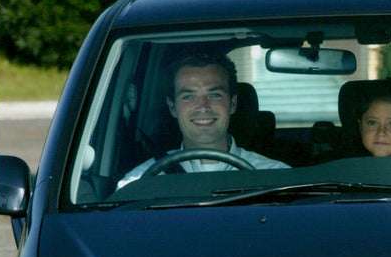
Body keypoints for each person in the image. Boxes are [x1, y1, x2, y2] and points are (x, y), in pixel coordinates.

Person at [117, 52, 289, 188]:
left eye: (214, 95)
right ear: (172, 107)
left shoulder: (276, 177)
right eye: (188, 97)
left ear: (233, 104)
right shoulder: (139, 183)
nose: (203, 106)